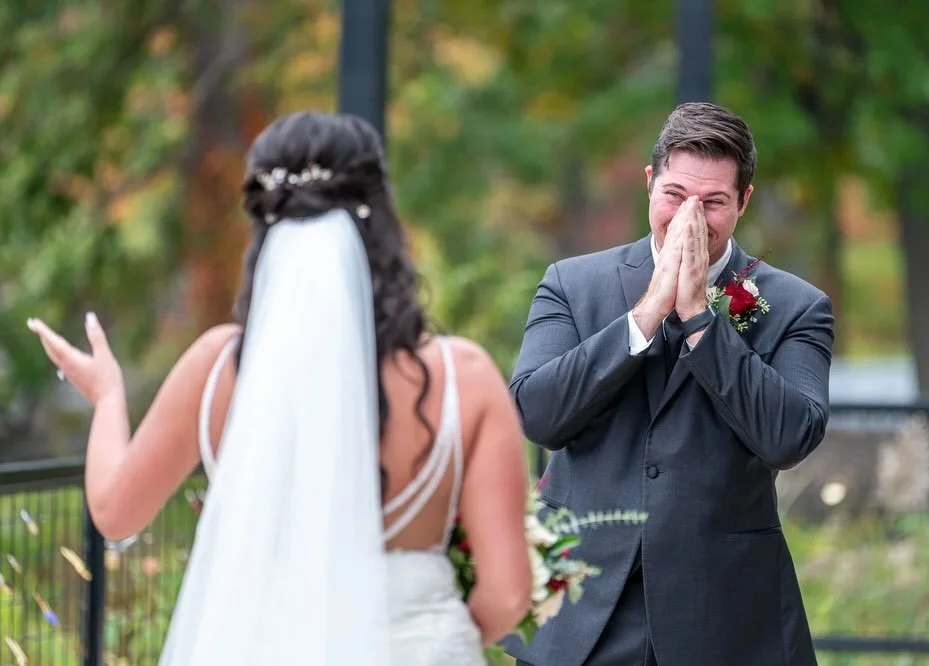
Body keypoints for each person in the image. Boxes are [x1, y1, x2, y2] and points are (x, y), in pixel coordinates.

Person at [28, 111, 532, 665]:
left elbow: (113, 512)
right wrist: (429, 637)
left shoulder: (217, 369)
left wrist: (107, 397)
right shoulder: (464, 378)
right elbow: (508, 594)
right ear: (382, 220)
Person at [503, 102, 834, 666]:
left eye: (714, 202)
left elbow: (789, 438)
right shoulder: (571, 284)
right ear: (649, 182)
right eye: (676, 195)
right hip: (580, 612)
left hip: (725, 618)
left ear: (744, 202)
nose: (691, 217)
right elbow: (538, 414)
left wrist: (702, 320)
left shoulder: (797, 306)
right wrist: (647, 313)